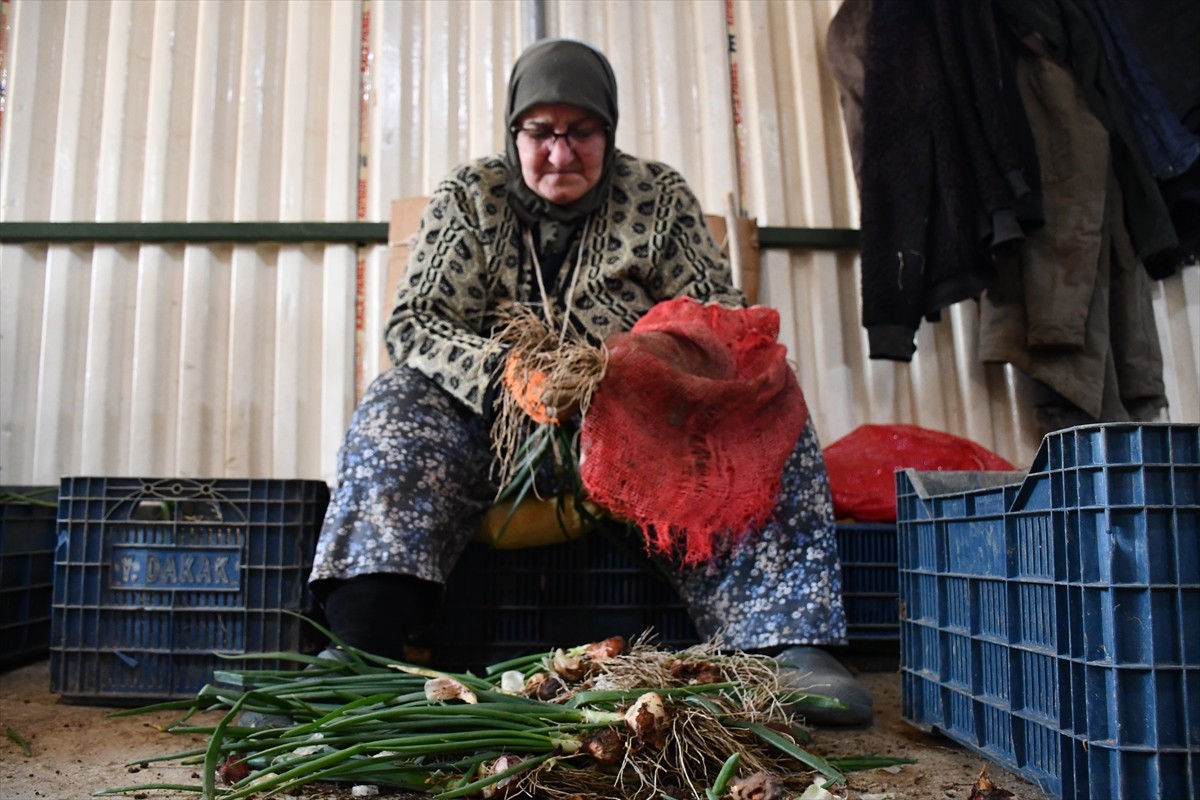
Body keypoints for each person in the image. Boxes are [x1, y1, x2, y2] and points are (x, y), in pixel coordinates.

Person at [308, 38, 873, 727]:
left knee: (768, 398)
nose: (560, 153)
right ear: (514, 131)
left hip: (641, 438)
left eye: (582, 132)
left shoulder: (658, 199)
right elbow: (416, 321)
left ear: (609, 130)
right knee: (396, 402)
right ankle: (363, 647)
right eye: (540, 132)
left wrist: (639, 366)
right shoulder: (471, 197)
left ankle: (788, 646)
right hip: (498, 435)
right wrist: (507, 371)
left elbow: (721, 322)